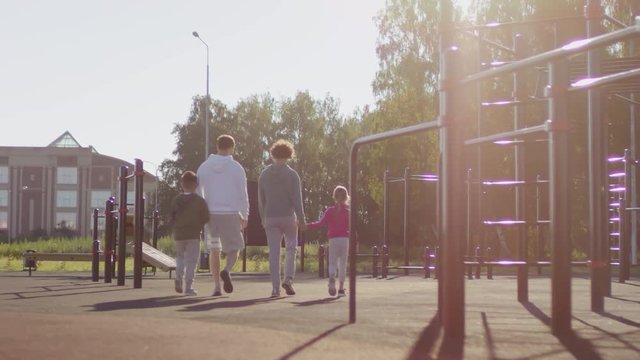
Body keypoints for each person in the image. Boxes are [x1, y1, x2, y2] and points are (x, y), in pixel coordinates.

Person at [197, 134, 249, 296]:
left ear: (217, 146)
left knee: (214, 249)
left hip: (211, 213)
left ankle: (216, 287)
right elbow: (243, 193)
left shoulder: (204, 167)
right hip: (231, 212)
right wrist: (245, 214)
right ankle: (226, 270)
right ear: (232, 147)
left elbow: (199, 192)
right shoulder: (237, 168)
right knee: (235, 248)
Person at [258, 139, 306, 297]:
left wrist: (263, 218)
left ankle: (275, 288)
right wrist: (302, 219)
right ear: (289, 155)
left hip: (270, 217)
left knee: (274, 253)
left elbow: (261, 199)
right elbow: (297, 200)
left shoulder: (264, 175)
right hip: (288, 218)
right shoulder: (293, 175)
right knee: (291, 248)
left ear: (273, 154)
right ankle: (289, 279)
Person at [170, 171, 210, 296]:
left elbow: (172, 216)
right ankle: (188, 287)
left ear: (182, 184)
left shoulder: (176, 200)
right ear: (195, 184)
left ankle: (178, 278)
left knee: (180, 258)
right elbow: (206, 218)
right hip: (193, 234)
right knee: (191, 261)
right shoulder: (200, 201)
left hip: (179, 234)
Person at [306, 185, 350, 297]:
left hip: (333, 239)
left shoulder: (330, 211)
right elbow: (353, 228)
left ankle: (331, 279)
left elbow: (320, 223)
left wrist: (308, 225)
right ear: (346, 197)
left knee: (332, 261)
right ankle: (341, 289)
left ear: (334, 197)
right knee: (343, 263)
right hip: (345, 239)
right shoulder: (348, 212)